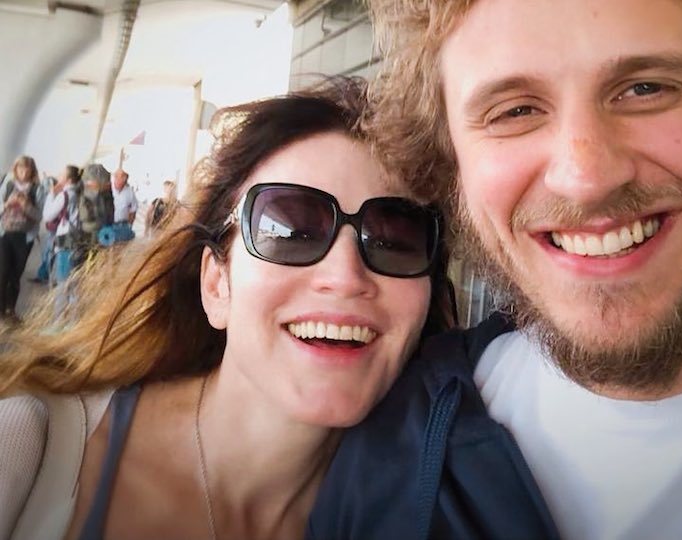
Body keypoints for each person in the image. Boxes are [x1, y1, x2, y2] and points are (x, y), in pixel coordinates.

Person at [310, 1, 682, 539]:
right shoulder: (388, 448)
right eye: (514, 112)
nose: (586, 178)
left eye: (646, 88)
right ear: (452, 169)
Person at [0, 78, 454, 540]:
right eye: (290, 231)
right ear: (217, 284)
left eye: (393, 240)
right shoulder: (26, 447)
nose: (345, 277)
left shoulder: (429, 507)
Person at [0, 156, 41, 323]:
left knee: (15, 274)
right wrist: (7, 204)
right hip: (5, 233)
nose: (23, 172)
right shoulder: (8, 185)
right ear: (15, 170)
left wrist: (26, 206)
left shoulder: (36, 189)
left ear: (32, 171)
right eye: (20, 169)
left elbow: (39, 216)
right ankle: (1, 309)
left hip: (24, 237)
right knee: (2, 271)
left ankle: (11, 309)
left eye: (26, 169)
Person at [110, 167, 137, 242]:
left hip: (123, 225)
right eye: (118, 177)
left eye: (124, 178)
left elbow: (133, 210)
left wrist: (129, 225)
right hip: (109, 225)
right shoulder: (108, 189)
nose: (121, 181)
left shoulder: (130, 192)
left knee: (122, 246)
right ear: (114, 177)